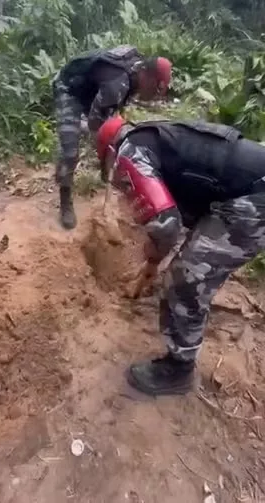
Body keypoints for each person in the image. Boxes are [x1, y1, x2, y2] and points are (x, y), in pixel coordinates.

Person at [96, 115, 265, 396]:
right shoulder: (155, 136)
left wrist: (152, 262)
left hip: (252, 199)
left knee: (185, 277)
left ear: (110, 152)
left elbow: (167, 227)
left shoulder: (129, 153)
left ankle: (178, 369)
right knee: (193, 259)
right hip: (245, 188)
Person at [53, 45, 172, 230]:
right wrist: (106, 159)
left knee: (112, 134)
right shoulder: (117, 83)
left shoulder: (135, 70)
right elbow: (97, 126)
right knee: (70, 151)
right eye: (156, 90)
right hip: (69, 88)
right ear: (147, 76)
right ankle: (65, 196)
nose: (155, 97)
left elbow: (111, 110)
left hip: (91, 91)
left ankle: (82, 145)